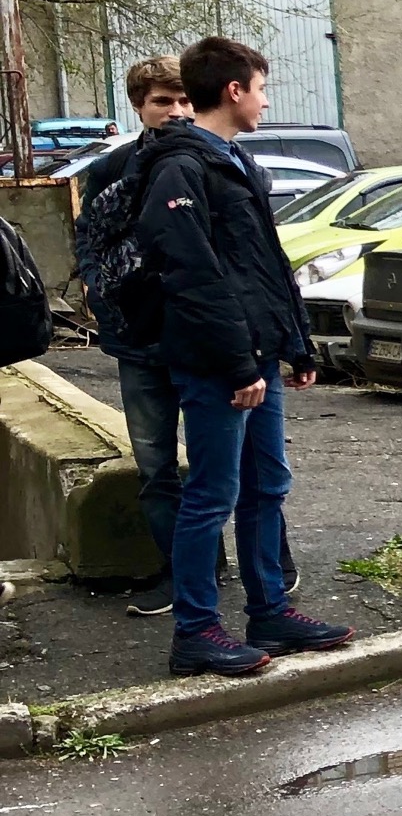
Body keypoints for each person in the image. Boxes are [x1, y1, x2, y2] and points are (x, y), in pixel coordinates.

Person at [126, 36, 351, 675]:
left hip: (256, 355)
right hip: (220, 363)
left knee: (266, 486)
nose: (266, 101)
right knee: (211, 494)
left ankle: (270, 611)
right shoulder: (181, 167)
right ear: (234, 91)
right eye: (261, 88)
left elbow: (264, 265)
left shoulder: (233, 161)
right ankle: (196, 631)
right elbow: (193, 275)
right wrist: (238, 363)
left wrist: (295, 344)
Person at [78, 58, 216, 618]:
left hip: (201, 337)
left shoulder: (212, 158)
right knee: (155, 466)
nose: (176, 112)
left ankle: (269, 566)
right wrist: (99, 291)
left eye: (185, 101)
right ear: (139, 105)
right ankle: (178, 575)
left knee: (228, 461)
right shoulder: (113, 167)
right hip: (138, 340)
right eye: (163, 101)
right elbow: (89, 235)